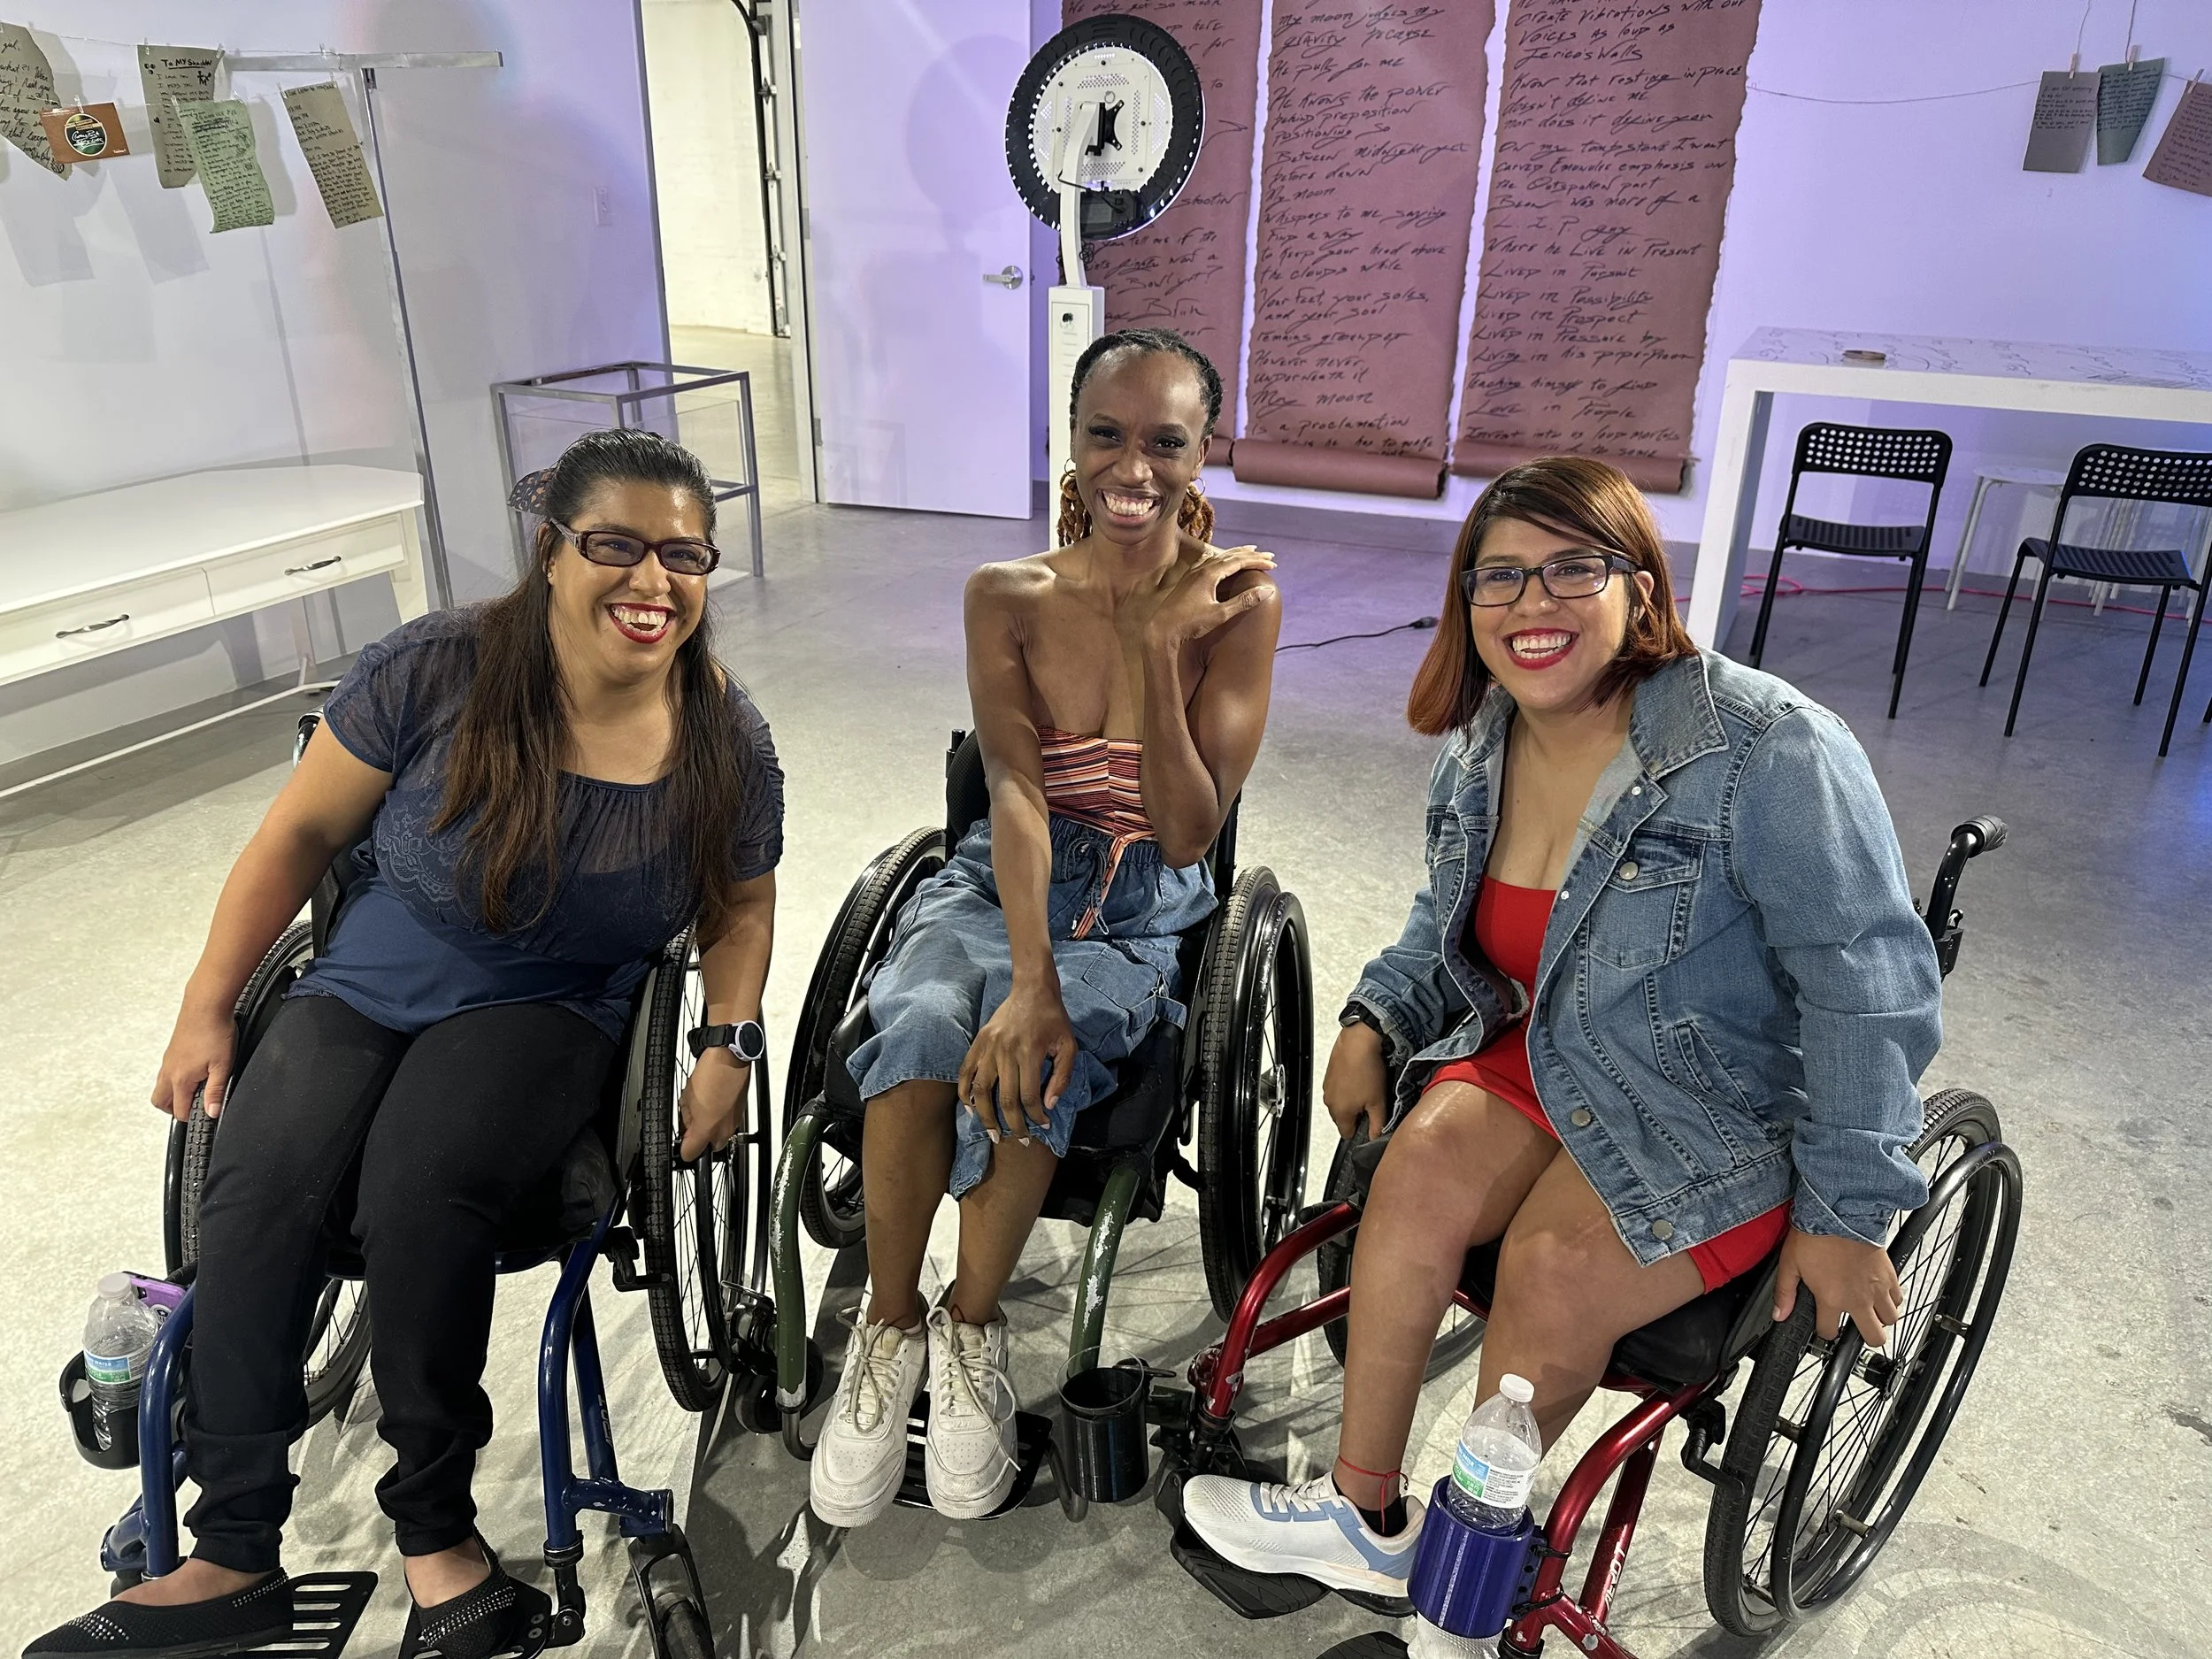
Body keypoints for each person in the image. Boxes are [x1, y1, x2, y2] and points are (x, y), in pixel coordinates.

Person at [30, 430, 783, 1659]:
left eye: (684, 555)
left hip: (550, 1001)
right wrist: (206, 1002)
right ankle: (231, 1550)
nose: (654, 582)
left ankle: (441, 1538)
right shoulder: (437, 669)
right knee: (261, 1186)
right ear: (553, 551)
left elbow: (740, 906)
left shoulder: (720, 738)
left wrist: (726, 1045)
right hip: (376, 971)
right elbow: (296, 835)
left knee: (423, 1195)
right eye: (618, 546)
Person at [1181, 455, 1940, 1594]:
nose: (1532, 606)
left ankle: (1470, 1570)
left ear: (1641, 584)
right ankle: (1362, 1511)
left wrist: (1850, 1210)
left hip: (1713, 1100)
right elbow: (1443, 921)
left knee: (1547, 1266)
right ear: (1465, 603)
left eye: (1571, 569)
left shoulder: (1767, 749)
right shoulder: (1485, 745)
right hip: (1549, 1049)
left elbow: (1870, 987)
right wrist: (1374, 1017)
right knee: (1418, 1167)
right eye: (1499, 579)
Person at [807, 328, 1280, 1527]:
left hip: (1142, 897)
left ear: (1202, 451)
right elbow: (1014, 785)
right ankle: (892, 1328)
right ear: (1072, 443)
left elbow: (1186, 834)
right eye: (1106, 433)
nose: (1134, 464)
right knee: (917, 1015)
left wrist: (1154, 645)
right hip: (1007, 871)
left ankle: (973, 1331)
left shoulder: (1239, 603)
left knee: (1045, 1056)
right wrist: (1028, 973)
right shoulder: (1003, 596)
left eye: (1164, 440)